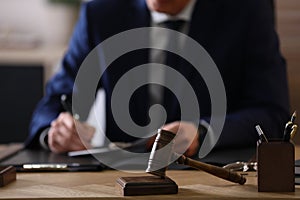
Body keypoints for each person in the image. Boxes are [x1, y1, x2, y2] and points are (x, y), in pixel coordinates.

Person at [27, 0, 289, 159]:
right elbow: (53, 102)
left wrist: (202, 132)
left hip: (215, 177)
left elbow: (272, 115)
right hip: (119, 180)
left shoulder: (248, 11)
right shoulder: (101, 14)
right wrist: (54, 131)